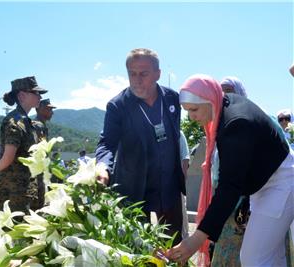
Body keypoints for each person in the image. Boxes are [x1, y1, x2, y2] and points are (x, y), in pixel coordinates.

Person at [165, 74, 293, 267]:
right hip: (266, 183)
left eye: (194, 109)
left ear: (209, 100)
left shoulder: (235, 124)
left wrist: (197, 238)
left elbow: (229, 187)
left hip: (280, 183)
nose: (191, 117)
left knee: (254, 258)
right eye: (187, 111)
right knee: (271, 257)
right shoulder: (225, 105)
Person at [95, 48, 185, 242]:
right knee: (136, 244)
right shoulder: (118, 106)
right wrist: (102, 167)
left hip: (168, 184)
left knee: (175, 242)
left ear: (157, 74)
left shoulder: (172, 99)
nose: (137, 80)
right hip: (134, 187)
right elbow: (107, 143)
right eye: (132, 74)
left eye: (143, 74)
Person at [0, 76, 47, 213]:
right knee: (14, 232)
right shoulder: (14, 122)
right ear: (22, 96)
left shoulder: (25, 121)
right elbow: (8, 157)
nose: (39, 96)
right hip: (13, 192)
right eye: (36, 93)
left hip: (24, 190)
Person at [208, 76, 249, 267]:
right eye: (221, 91)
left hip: (244, 202)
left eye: (229, 90)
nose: (225, 96)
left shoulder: (245, 122)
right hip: (223, 198)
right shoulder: (218, 126)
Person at [32, 98, 56, 209]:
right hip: (37, 168)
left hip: (40, 168)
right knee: (37, 198)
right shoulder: (38, 126)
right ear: (39, 109)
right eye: (48, 109)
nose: (52, 112)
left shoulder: (41, 125)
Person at [179, 131, 190, 239]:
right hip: (161, 184)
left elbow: (185, 158)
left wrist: (182, 181)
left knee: (181, 212)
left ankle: (184, 239)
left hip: (176, 182)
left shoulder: (179, 133)